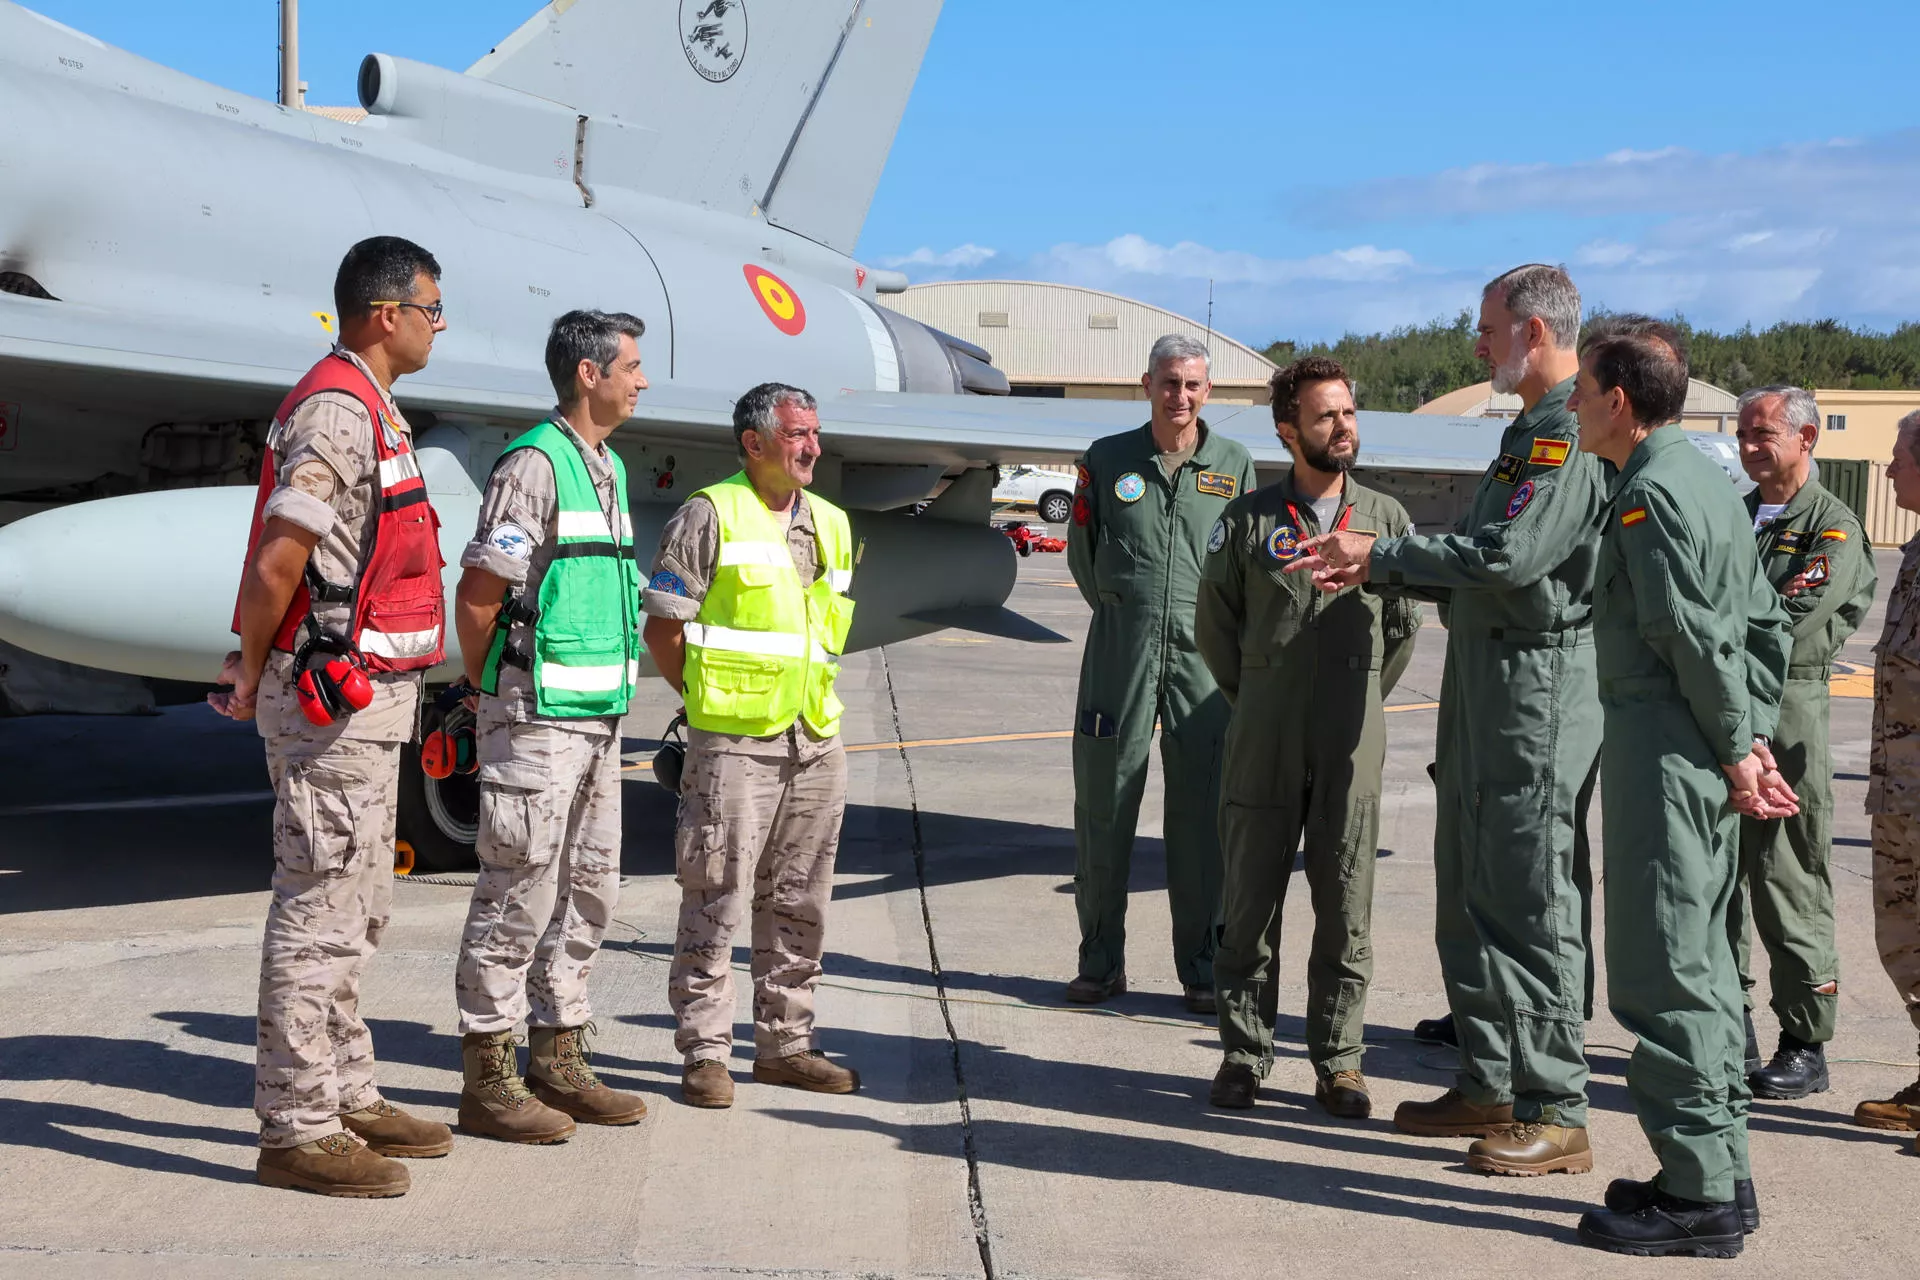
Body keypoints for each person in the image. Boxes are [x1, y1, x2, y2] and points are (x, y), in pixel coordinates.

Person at [1290, 265, 1606, 1175]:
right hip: (1486, 681)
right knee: (1470, 886)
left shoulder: (1569, 434)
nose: (1478, 344)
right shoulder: (1525, 433)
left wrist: (1383, 552)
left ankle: (1557, 1108)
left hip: (1534, 691)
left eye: (1489, 328)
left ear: (1534, 331)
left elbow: (1509, 557)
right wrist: (1379, 565)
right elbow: (1478, 560)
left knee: (1530, 898)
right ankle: (1491, 1081)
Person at [211, 236, 453, 1197]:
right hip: (330, 710)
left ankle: (346, 1091)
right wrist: (252, 670)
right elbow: (280, 560)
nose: (439, 326)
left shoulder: (373, 407)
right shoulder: (338, 412)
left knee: (360, 906)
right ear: (387, 314)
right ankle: (297, 1127)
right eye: (432, 308)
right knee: (317, 912)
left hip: (369, 708)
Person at [1567, 316, 1793, 1258]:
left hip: (1669, 752)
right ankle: (1718, 1173)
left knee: (1664, 973)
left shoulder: (1650, 493)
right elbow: (1765, 624)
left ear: (1619, 402)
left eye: (1583, 389)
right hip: (1701, 745)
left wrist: (1740, 749)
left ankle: (1698, 1196)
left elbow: (1689, 635)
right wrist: (1752, 736)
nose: (1572, 403)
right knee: (1700, 967)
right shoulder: (1706, 481)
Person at [1194, 356, 1419, 1119]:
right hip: (1264, 738)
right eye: (1326, 416)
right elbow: (1215, 627)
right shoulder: (1247, 521)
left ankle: (1340, 1062)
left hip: (1351, 742)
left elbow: (1403, 631)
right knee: (1249, 904)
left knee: (1346, 904)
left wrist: (1356, 698)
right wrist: (1262, 695)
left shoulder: (1386, 520)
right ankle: (1243, 1054)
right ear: (1288, 430)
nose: (1343, 427)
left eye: (1348, 412)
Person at [450, 310, 652, 1141]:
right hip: (534, 717)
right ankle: (488, 1076)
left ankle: (558, 1054)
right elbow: (479, 595)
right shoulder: (534, 465)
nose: (642, 381)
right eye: (631, 367)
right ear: (588, 374)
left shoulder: (608, 466)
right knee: (518, 890)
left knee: (588, 888)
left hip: (597, 719)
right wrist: (488, 689)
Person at [641, 382, 861, 1109]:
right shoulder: (710, 514)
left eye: (816, 433)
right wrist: (705, 702)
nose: (812, 447)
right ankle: (706, 1053)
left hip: (814, 736)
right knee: (716, 896)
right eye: (798, 434)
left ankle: (786, 1044)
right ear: (754, 442)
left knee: (801, 899)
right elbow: (664, 626)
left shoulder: (829, 523)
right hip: (734, 741)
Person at [1065, 334, 1257, 1012]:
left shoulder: (1233, 464)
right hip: (1121, 650)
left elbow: (1243, 563)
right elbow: (1084, 555)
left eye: (1192, 385)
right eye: (1169, 382)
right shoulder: (1107, 459)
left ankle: (1201, 968)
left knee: (1202, 817)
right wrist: (1127, 611)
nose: (1180, 396)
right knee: (1104, 805)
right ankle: (1099, 962)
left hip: (1204, 660)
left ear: (1208, 391)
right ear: (1147, 384)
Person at [1729, 387, 1875, 1100]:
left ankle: (1804, 1041)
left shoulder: (1832, 528)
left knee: (1787, 874)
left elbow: (1793, 617)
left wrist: (1711, 630)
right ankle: (1728, 1029)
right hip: (1720, 707)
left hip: (1787, 712)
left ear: (1806, 439)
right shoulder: (1734, 514)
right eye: (1742, 434)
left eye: (1763, 434)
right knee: (1716, 879)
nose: (1749, 447)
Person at [1858, 408, 1920, 1148]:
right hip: (1900, 788)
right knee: (1905, 938)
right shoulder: (1913, 554)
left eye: (1900, 455)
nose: (1890, 468)